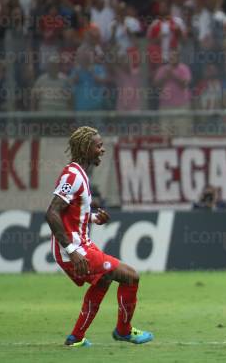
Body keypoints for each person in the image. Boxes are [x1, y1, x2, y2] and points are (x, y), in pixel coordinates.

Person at [45, 126, 153, 347]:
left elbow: (72, 213)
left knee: (103, 280)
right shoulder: (72, 176)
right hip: (74, 249)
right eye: (98, 145)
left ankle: (76, 337)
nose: (102, 150)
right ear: (85, 148)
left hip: (82, 244)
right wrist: (73, 252)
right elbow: (52, 213)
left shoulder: (80, 174)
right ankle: (123, 330)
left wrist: (93, 218)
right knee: (131, 276)